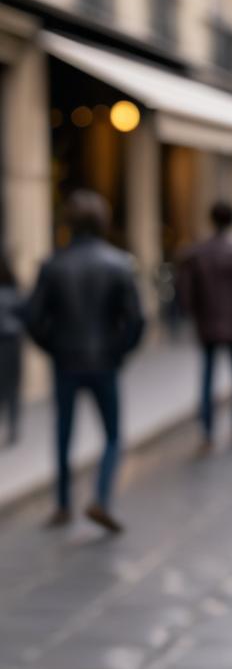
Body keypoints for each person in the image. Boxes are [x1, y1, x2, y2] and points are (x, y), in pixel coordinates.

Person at [24, 190, 144, 533]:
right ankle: (101, 498)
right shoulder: (119, 263)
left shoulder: (53, 265)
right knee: (112, 436)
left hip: (67, 361)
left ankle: (63, 503)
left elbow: (34, 318)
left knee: (63, 434)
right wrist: (118, 351)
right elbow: (136, 320)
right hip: (104, 361)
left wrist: (54, 347)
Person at [176, 200, 232, 454]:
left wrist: (193, 316)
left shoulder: (197, 252)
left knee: (207, 379)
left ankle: (207, 431)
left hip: (208, 324)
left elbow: (186, 292)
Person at [0, 251, 24, 446]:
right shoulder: (14, 290)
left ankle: (12, 427)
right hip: (11, 343)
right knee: (12, 388)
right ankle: (13, 427)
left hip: (8, 341)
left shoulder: (12, 290)